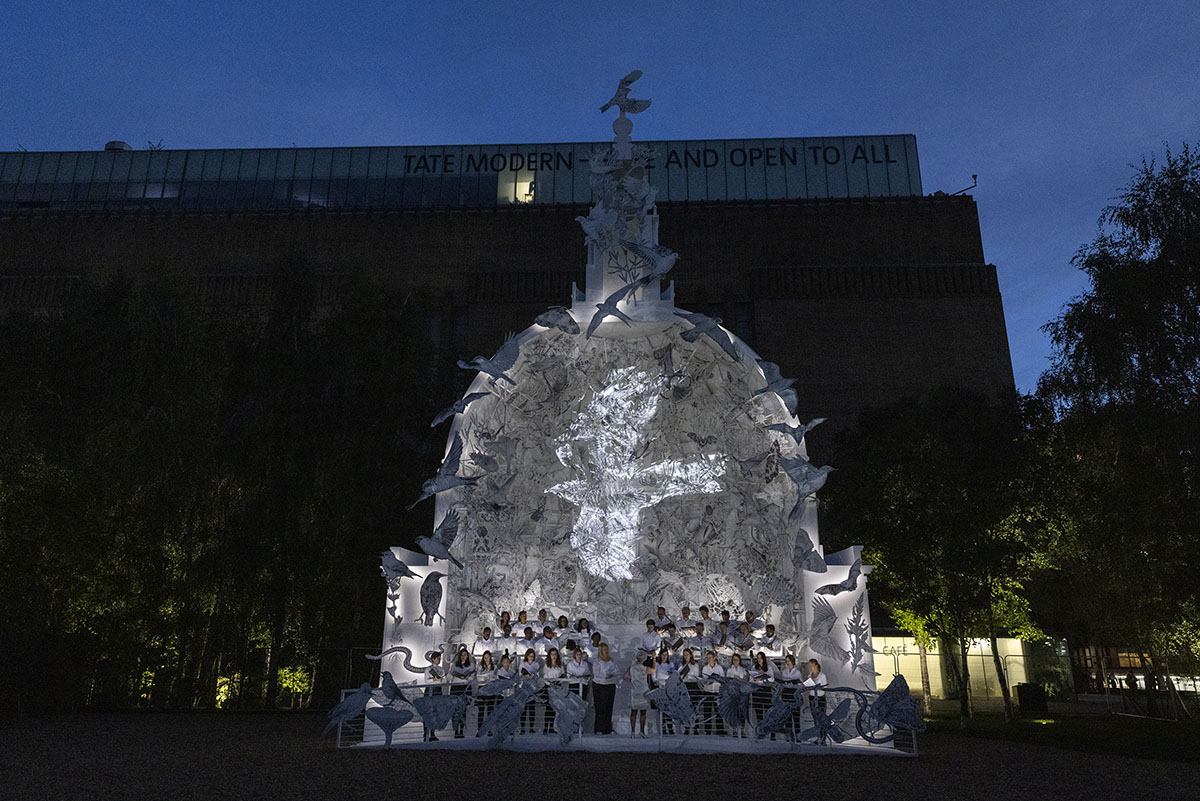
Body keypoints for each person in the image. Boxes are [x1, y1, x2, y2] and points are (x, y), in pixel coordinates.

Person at [591, 643, 619, 735]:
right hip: (600, 685)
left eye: (607, 649)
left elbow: (616, 670)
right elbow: (596, 673)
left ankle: (608, 728)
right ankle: (599, 729)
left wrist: (611, 675)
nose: (606, 651)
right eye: (604, 650)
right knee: (600, 708)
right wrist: (605, 676)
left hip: (610, 684)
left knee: (608, 707)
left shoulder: (611, 660)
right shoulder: (597, 661)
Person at [450, 647, 475, 738]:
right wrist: (457, 676)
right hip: (456, 688)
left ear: (468, 656)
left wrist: (467, 678)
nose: (464, 657)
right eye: (462, 655)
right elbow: (450, 675)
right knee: (456, 710)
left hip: (465, 687)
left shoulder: (471, 665)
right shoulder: (455, 664)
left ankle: (461, 730)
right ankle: (456, 730)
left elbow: (472, 677)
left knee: (463, 710)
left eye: (465, 655)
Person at [699, 650, 725, 735]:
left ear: (714, 658)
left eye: (710, 658)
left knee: (719, 711)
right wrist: (709, 681)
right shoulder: (705, 668)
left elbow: (723, 679)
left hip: (717, 691)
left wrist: (716, 679)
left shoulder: (719, 668)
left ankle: (720, 730)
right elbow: (704, 680)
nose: (709, 659)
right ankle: (708, 730)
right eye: (708, 658)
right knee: (707, 712)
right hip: (708, 691)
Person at [749, 651, 775, 737]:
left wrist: (762, 678)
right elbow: (750, 679)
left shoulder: (769, 668)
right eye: (758, 658)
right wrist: (755, 679)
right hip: (757, 690)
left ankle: (771, 733)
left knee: (768, 712)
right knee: (758, 713)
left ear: (764, 658)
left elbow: (772, 679)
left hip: (766, 690)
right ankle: (760, 732)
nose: (759, 660)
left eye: (761, 658)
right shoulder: (754, 667)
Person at [652, 649, 677, 734]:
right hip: (660, 687)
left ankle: (670, 728)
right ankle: (662, 729)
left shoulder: (671, 664)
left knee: (669, 709)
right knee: (661, 709)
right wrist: (655, 680)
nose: (664, 656)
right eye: (663, 655)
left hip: (668, 687)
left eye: (666, 655)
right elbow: (653, 675)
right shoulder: (657, 665)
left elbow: (674, 674)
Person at [780, 654, 805, 740]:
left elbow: (801, 684)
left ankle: (798, 736)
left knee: (796, 717)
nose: (787, 663)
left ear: (792, 662)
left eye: (789, 661)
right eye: (786, 661)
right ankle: (789, 736)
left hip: (794, 695)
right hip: (786, 694)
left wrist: (794, 683)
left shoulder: (797, 672)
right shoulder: (784, 672)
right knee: (787, 716)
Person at [627, 655, 652, 738]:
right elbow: (654, 670)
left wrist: (632, 679)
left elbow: (625, 676)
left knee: (633, 712)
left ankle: (632, 732)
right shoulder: (645, 668)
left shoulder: (631, 667)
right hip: (643, 690)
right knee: (643, 712)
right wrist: (654, 659)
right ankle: (642, 731)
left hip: (634, 691)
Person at [803, 658, 828, 744]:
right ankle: (818, 737)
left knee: (822, 718)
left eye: (811, 666)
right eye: (809, 666)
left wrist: (818, 687)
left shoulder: (822, 676)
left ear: (816, 666)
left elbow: (825, 688)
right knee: (815, 718)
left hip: (820, 698)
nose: (810, 668)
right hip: (812, 698)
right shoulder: (809, 675)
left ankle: (823, 738)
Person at [423, 650, 446, 741]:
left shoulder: (441, 669)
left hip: (438, 691)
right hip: (430, 691)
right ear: (433, 659)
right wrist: (434, 680)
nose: (439, 660)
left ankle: (432, 734)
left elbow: (445, 680)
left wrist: (440, 680)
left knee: (435, 713)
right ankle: (426, 734)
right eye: (438, 658)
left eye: (440, 658)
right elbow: (426, 680)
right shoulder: (428, 669)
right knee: (428, 713)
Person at [678, 648, 701, 735]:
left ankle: (695, 728)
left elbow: (695, 675)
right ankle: (687, 727)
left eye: (687, 654)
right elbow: (679, 674)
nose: (686, 656)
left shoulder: (695, 665)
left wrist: (687, 676)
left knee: (694, 707)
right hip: (684, 686)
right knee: (685, 707)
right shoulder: (681, 664)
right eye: (684, 655)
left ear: (690, 655)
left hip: (693, 686)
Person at [542, 648, 565, 735]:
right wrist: (551, 683)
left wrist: (558, 682)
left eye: (555, 654)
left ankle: (552, 727)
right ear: (549, 655)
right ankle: (545, 727)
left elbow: (563, 675)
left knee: (555, 709)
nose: (554, 656)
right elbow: (545, 677)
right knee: (548, 708)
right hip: (549, 687)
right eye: (552, 654)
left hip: (557, 688)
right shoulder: (546, 665)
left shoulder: (560, 665)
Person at [519, 648, 542, 734]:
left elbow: (538, 676)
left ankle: (531, 728)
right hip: (524, 688)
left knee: (532, 709)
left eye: (532, 656)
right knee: (523, 709)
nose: (531, 658)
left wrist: (533, 675)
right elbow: (520, 676)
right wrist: (525, 676)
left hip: (532, 688)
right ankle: (522, 728)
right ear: (526, 656)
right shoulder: (522, 664)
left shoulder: (536, 665)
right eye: (529, 656)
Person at [475, 651, 498, 732]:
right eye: (485, 657)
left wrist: (489, 678)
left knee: (490, 709)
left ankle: (489, 729)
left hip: (491, 689)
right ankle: (480, 728)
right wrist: (485, 677)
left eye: (488, 657)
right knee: (481, 710)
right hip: (482, 688)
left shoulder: (494, 667)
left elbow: (495, 677)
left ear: (490, 658)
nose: (486, 659)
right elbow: (478, 677)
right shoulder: (480, 666)